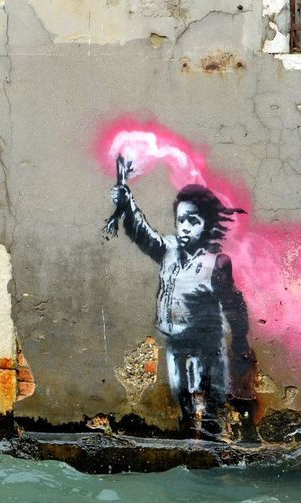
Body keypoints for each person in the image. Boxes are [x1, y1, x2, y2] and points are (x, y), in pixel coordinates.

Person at [109, 180, 258, 440]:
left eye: (193, 221)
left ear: (207, 224)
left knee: (211, 409)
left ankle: (213, 458)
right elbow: (143, 234)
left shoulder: (216, 263)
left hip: (208, 349)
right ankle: (190, 453)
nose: (185, 228)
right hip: (175, 345)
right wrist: (127, 204)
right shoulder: (168, 250)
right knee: (183, 403)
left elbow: (234, 303)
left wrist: (241, 340)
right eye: (181, 221)